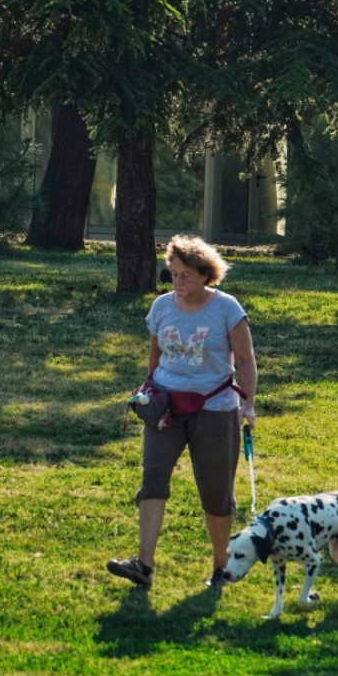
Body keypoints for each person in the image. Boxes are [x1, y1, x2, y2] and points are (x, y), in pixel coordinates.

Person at [108, 234, 257, 589]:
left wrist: (248, 403)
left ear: (206, 274)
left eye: (185, 275)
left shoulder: (227, 309)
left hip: (215, 409)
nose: (177, 282)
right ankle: (143, 564)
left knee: (216, 491)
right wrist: (149, 387)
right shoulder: (161, 307)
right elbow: (156, 354)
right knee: (153, 480)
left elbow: (247, 360)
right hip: (165, 408)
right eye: (173, 274)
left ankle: (222, 566)